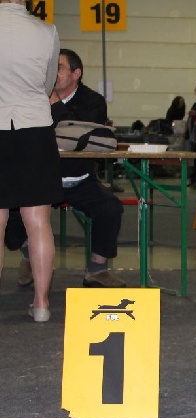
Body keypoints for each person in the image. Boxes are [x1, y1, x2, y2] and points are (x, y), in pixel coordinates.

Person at [8, 49, 126, 288]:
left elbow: (73, 133)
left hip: (79, 179)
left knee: (110, 208)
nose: (52, 73)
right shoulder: (32, 99)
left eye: (58, 68)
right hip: (42, 178)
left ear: (76, 74)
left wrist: (53, 101)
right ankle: (30, 256)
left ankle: (97, 269)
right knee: (8, 210)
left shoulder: (93, 102)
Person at [0, 0, 62, 322]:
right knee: (38, 222)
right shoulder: (46, 31)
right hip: (34, 130)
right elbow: (48, 82)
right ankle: (41, 305)